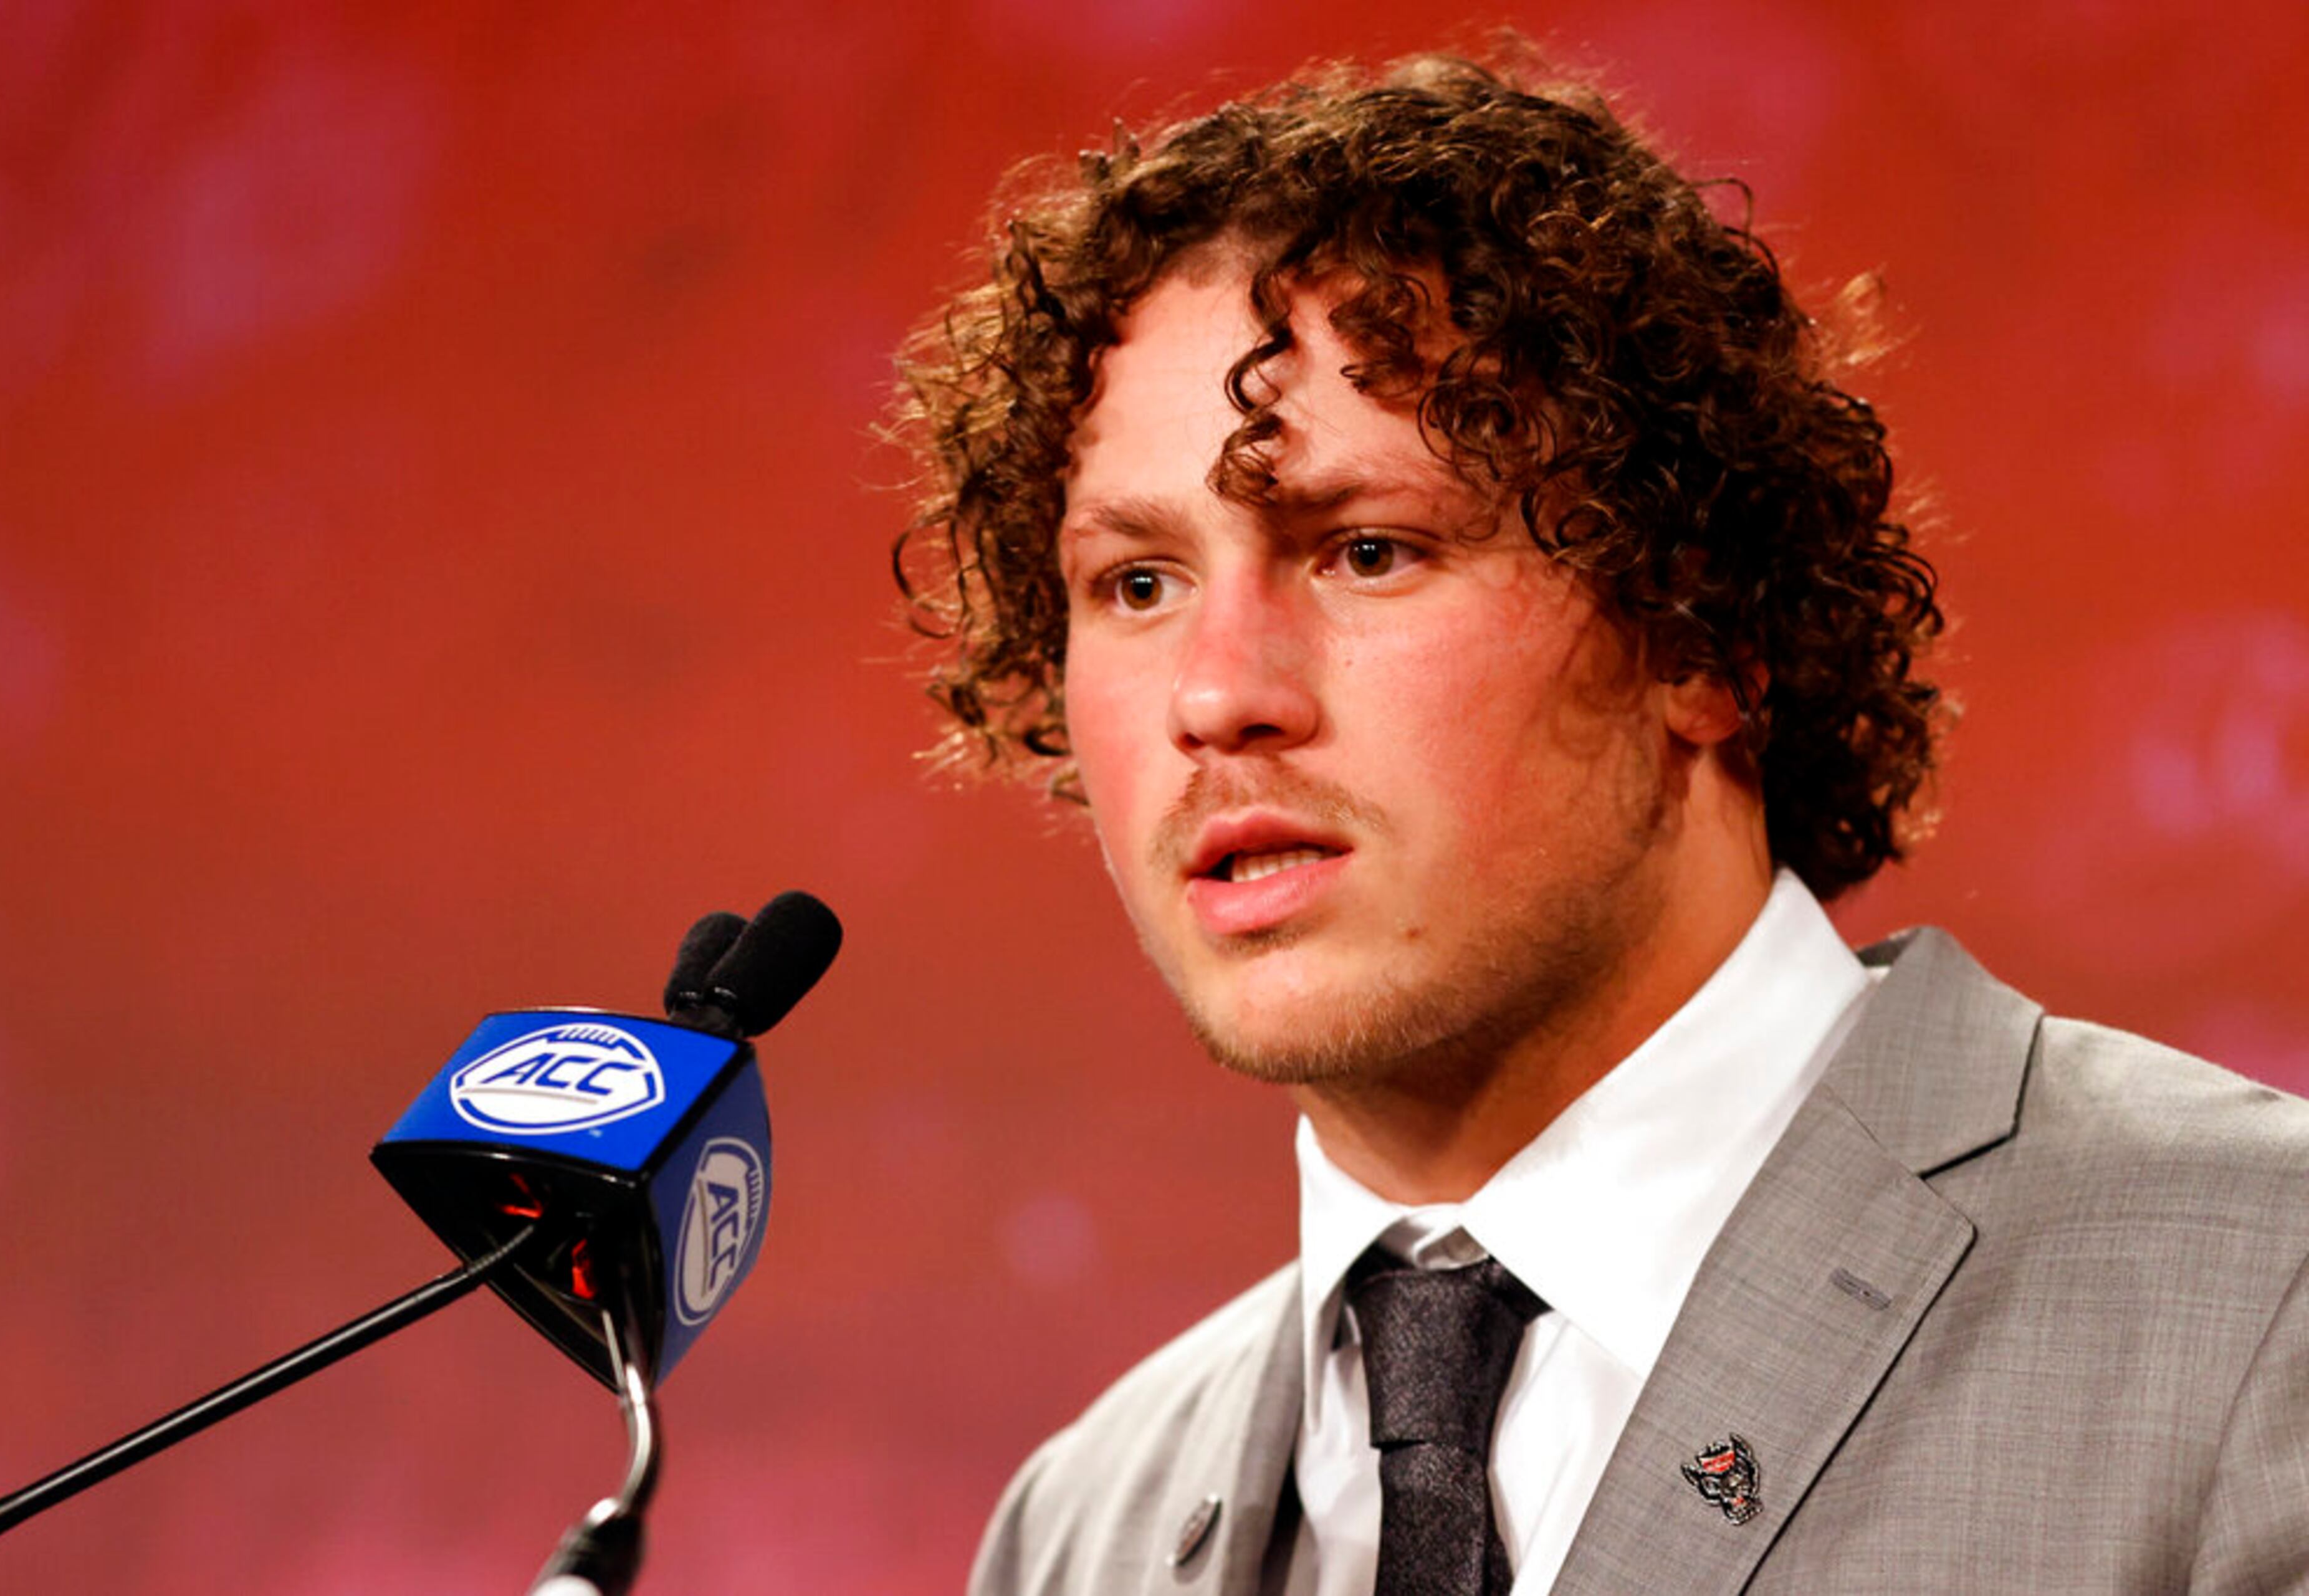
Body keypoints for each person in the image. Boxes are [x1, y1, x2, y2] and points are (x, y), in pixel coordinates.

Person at [890, 43, 2309, 1596]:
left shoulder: (2263, 1302)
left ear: (1697, 631)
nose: (1216, 696)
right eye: (1138, 585)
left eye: (1366, 550)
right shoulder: (1080, 1528)